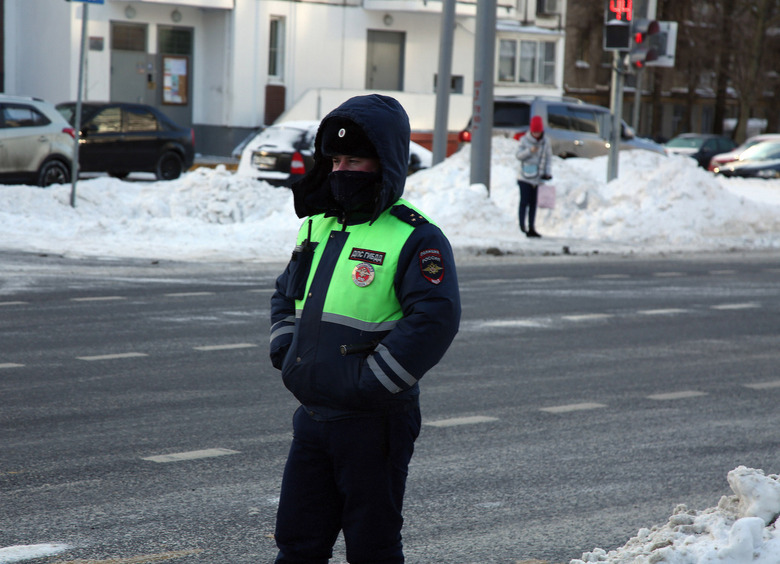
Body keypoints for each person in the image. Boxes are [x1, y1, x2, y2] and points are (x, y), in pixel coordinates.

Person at [269, 94, 461, 563]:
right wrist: (286, 352)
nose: (340, 170)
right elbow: (285, 293)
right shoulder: (316, 226)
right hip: (313, 418)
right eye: (334, 159)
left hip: (375, 424)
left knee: (372, 549)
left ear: (384, 162)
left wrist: (372, 382)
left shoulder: (415, 236)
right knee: (297, 545)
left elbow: (435, 318)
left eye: (354, 159)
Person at [515, 115, 553, 238]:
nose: (536, 134)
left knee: (533, 204)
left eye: (538, 132)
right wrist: (530, 151)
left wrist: (547, 173)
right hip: (524, 177)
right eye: (534, 131)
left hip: (537, 178)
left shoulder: (545, 142)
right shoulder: (524, 140)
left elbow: (548, 158)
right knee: (524, 202)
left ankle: (532, 227)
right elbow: (518, 155)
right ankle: (522, 227)